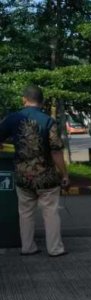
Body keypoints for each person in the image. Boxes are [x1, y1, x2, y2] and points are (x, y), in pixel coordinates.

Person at [0, 85, 68, 256]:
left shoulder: (12, 118)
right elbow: (56, 151)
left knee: (25, 213)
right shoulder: (47, 121)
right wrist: (64, 174)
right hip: (47, 177)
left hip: (23, 177)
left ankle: (27, 247)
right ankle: (55, 249)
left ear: (24, 99)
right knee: (51, 212)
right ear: (42, 102)